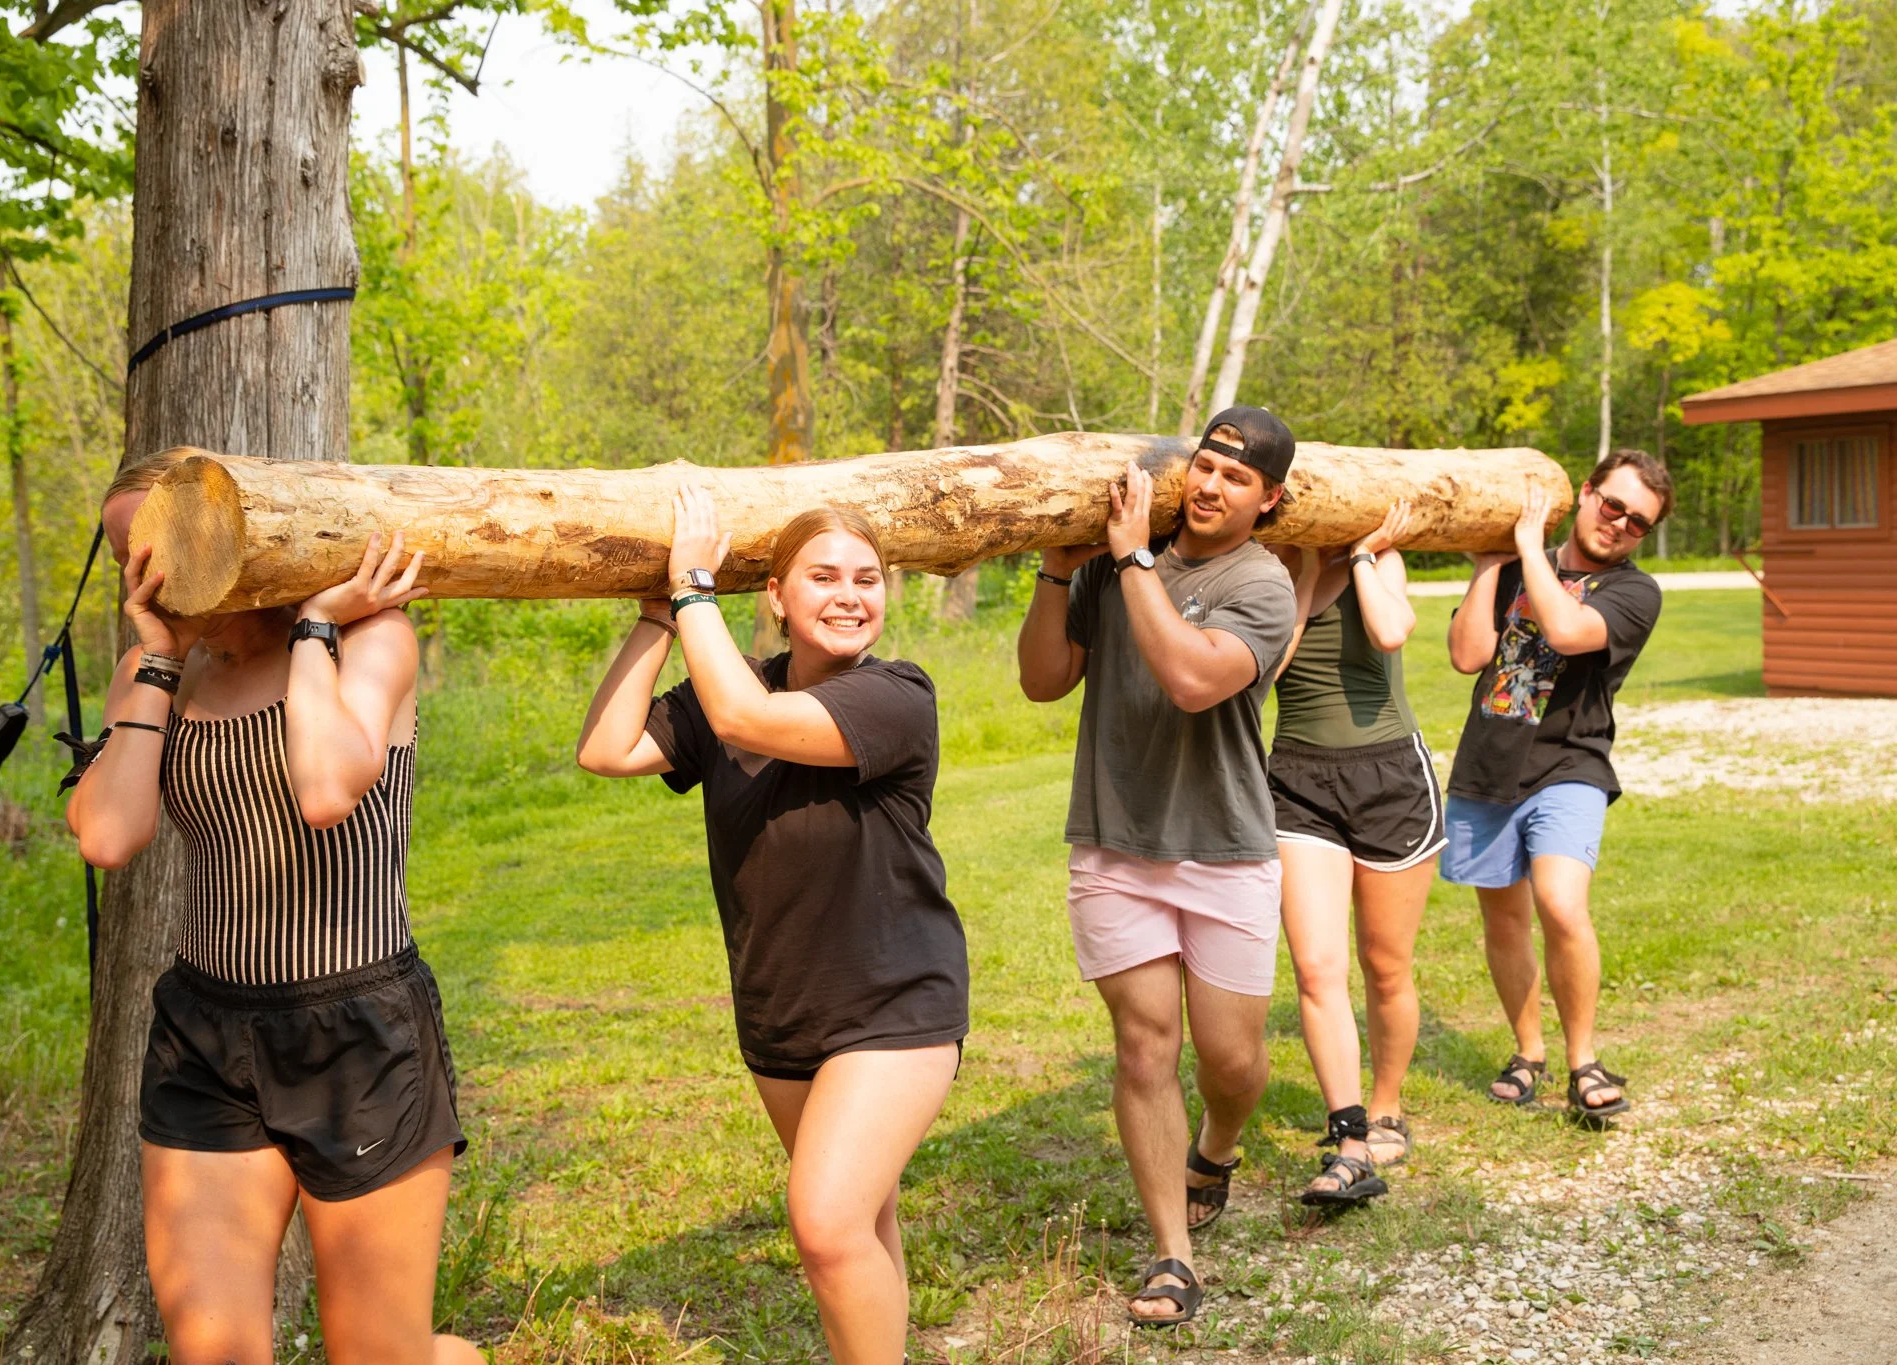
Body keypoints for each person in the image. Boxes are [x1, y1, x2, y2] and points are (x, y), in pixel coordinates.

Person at [65, 455, 480, 1365]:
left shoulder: (372, 637)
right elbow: (108, 833)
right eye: (126, 555)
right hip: (203, 1035)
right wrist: (159, 659)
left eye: (160, 543)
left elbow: (327, 788)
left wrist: (316, 626)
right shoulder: (154, 670)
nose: (146, 572)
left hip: (357, 1033)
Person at [576, 490, 968, 1365]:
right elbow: (606, 749)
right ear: (777, 596)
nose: (849, 595)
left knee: (826, 1223)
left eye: (867, 578)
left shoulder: (897, 694)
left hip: (896, 1002)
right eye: (823, 577)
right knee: (861, 1220)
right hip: (782, 1010)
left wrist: (693, 589)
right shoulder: (734, 683)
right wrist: (658, 616)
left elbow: (747, 722)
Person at [1015, 407, 1299, 1327]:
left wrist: (1134, 558)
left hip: (1225, 846)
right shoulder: (1109, 565)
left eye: (1237, 477)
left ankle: (1219, 1140)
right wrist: (1058, 569)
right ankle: (1174, 1253)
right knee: (1144, 1046)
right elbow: (1043, 680)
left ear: (1269, 499)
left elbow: (1190, 679)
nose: (1211, 485)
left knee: (1232, 1058)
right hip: (1115, 839)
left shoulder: (1263, 583)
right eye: (1206, 464)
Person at [1443, 448, 1672, 1121]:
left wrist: (1525, 547)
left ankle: (1583, 1059)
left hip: (1571, 764)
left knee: (1562, 905)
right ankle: (1528, 1052)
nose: (1620, 523)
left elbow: (1568, 631)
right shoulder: (1513, 563)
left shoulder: (1635, 592)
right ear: (1587, 492)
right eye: (1613, 504)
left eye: (1638, 521)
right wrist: (1490, 565)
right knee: (1504, 921)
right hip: (1488, 764)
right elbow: (1466, 654)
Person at [1267, 498, 1444, 1208]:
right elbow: (1265, 672)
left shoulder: (1382, 559)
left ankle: (1388, 1102)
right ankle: (1350, 1132)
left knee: (1385, 963)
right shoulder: (1270, 570)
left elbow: (1391, 630)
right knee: (1317, 967)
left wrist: (1363, 555)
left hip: (1390, 778)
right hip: (1298, 781)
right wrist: (1306, 574)